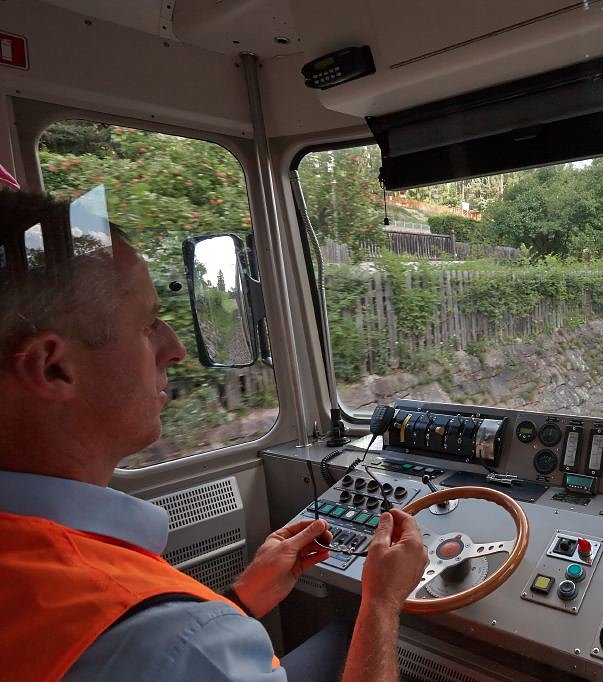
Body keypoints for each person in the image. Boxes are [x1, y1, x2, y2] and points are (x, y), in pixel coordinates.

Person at [0, 190, 429, 681]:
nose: (176, 347)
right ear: (53, 368)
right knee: (350, 632)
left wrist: (241, 598)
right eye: (145, 325)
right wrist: (381, 601)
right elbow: (174, 652)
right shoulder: (172, 640)